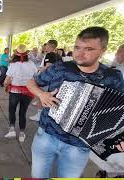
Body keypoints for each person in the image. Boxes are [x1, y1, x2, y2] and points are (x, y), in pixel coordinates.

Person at [27, 27, 124, 178]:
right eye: (77, 47)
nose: (80, 52)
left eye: (89, 49)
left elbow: (119, 110)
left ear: (103, 50)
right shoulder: (61, 67)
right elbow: (32, 82)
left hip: (79, 146)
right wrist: (42, 95)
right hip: (46, 136)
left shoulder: (112, 77)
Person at [3, 51, 37, 142]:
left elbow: (7, 80)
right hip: (28, 92)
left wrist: (5, 87)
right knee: (23, 112)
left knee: (12, 110)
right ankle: (22, 134)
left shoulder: (13, 65)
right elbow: (35, 75)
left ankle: (12, 130)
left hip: (15, 92)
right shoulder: (31, 63)